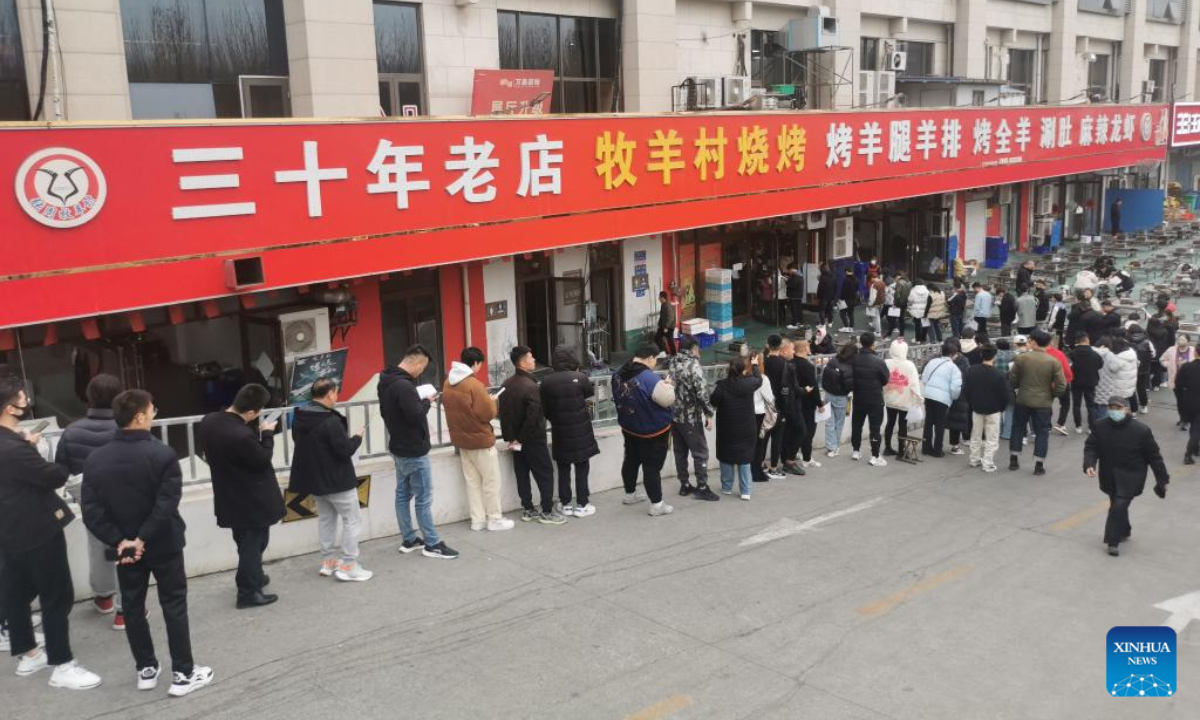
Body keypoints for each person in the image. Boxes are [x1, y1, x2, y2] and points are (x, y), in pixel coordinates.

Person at [83, 389, 212, 696]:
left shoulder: (97, 458)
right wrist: (141, 537)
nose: (155, 413)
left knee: (132, 606)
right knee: (174, 605)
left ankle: (146, 669)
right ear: (140, 416)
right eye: (152, 409)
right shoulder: (162, 454)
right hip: (163, 542)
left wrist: (123, 541)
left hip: (124, 550)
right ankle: (183, 673)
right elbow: (166, 504)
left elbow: (91, 510)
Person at [0, 377, 102, 690]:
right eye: (21, 397)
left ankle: (29, 654)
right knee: (57, 596)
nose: (25, 400)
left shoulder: (10, 442)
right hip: (35, 528)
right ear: (8, 407)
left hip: (9, 528)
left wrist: (27, 446)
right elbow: (52, 477)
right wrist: (48, 452)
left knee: (15, 593)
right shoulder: (12, 448)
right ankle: (62, 663)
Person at [196, 383, 284, 609]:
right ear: (252, 412)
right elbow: (261, 459)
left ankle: (253, 577)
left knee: (245, 542)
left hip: (228, 494)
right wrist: (266, 434)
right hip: (251, 498)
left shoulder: (209, 421)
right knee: (254, 544)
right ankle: (248, 592)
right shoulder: (242, 435)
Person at [53, 374, 123, 627]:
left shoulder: (71, 431)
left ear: (89, 396)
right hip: (124, 495)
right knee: (126, 547)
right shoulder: (125, 428)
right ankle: (125, 611)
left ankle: (103, 597)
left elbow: (61, 471)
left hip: (89, 497)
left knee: (98, 546)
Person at [380, 345, 459, 559]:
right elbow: (415, 415)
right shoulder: (404, 386)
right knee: (423, 498)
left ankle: (409, 538)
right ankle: (432, 543)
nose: (420, 372)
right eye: (422, 368)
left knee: (403, 495)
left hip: (398, 446)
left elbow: (385, 412)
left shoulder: (385, 380)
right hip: (414, 449)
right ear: (416, 363)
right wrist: (426, 401)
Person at [289, 379, 370, 581]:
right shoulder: (330, 421)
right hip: (337, 479)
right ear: (329, 394)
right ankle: (349, 564)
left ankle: (329, 561)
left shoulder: (300, 415)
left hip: (314, 479)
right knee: (351, 520)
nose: (337, 397)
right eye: (336, 393)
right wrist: (357, 438)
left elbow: (298, 441)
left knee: (326, 519)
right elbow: (344, 450)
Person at [1084, 396, 1168, 556]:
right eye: (1111, 408)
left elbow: (1154, 457)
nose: (1114, 411)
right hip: (1109, 474)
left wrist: (1162, 479)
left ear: (1127, 410)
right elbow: (1091, 447)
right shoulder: (1100, 426)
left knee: (1119, 505)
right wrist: (1089, 464)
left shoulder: (1141, 430)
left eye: (1118, 408)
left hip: (1132, 475)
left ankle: (1112, 541)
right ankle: (1124, 529)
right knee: (1117, 503)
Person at [442, 347, 514, 531]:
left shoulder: (447, 383)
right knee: (491, 482)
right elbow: (487, 413)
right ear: (475, 363)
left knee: (472, 482)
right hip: (480, 440)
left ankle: (477, 520)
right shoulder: (474, 385)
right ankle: (495, 519)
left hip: (462, 441)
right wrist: (491, 401)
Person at [500, 346, 565, 525]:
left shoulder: (506, 384)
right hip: (533, 439)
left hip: (515, 440)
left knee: (522, 473)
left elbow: (503, 415)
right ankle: (546, 511)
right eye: (531, 357)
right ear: (522, 362)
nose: (534, 359)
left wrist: (512, 438)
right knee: (545, 473)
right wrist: (521, 437)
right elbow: (533, 416)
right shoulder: (530, 386)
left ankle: (528, 509)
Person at [612, 345, 676, 516]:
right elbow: (667, 400)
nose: (655, 364)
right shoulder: (650, 378)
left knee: (631, 460)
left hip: (629, 426)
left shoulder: (617, 373)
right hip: (652, 431)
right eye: (655, 360)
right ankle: (657, 504)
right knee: (652, 467)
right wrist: (667, 385)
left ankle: (630, 494)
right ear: (649, 358)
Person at [540, 345, 600, 518]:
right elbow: (588, 394)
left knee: (563, 468)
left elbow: (545, 408)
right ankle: (582, 503)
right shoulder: (580, 377)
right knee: (582, 466)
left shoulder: (547, 381)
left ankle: (565, 503)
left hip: (560, 430)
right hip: (582, 430)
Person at [1008, 330, 1067, 475]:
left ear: (1034, 342)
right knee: (1042, 433)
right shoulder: (1053, 361)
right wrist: (1051, 395)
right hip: (1043, 403)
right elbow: (1061, 385)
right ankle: (1039, 465)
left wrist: (1018, 388)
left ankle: (1014, 460)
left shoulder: (1022, 358)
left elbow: (1013, 379)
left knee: (1017, 428)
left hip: (1023, 399)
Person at [668, 337, 718, 501]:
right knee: (700, 452)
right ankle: (702, 487)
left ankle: (685, 485)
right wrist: (709, 413)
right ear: (693, 348)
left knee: (680, 452)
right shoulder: (693, 365)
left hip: (675, 416)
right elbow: (702, 392)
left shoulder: (673, 361)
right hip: (690, 416)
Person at [710, 355, 763, 500]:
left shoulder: (722, 385)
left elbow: (713, 400)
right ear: (743, 370)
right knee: (745, 458)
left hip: (727, 427)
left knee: (726, 456)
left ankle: (727, 487)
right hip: (746, 426)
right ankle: (745, 491)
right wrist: (755, 365)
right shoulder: (749, 383)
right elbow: (759, 380)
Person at [963, 345, 1010, 472]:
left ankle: (974, 459)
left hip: (976, 408)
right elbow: (1005, 395)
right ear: (994, 356)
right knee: (992, 438)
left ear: (981, 355)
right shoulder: (999, 374)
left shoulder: (972, 370)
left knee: (976, 435)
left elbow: (966, 390)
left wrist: (972, 404)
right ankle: (988, 462)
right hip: (994, 409)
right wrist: (1001, 407)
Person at [848, 332, 890, 466]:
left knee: (856, 425)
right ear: (873, 344)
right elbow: (885, 380)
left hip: (859, 397)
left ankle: (855, 450)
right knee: (875, 427)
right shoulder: (879, 361)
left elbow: (851, 377)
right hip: (875, 398)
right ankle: (875, 455)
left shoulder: (854, 359)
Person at [921, 340, 964, 458]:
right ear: (952, 354)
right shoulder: (954, 368)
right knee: (940, 424)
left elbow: (924, 378)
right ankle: (937, 450)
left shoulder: (932, 362)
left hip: (929, 395)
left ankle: (926, 447)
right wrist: (953, 397)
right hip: (942, 399)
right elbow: (955, 388)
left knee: (928, 422)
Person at [882, 338, 923, 457]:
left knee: (890, 422)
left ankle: (888, 447)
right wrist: (918, 398)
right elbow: (915, 384)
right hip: (905, 400)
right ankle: (901, 450)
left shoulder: (886, 363)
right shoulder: (909, 365)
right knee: (902, 425)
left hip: (890, 398)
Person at [791, 340, 824, 469]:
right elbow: (813, 387)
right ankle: (807, 458)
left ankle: (794, 453)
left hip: (795, 402)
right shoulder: (807, 366)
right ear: (804, 348)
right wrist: (820, 403)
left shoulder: (790, 363)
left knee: (796, 430)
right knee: (808, 431)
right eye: (808, 346)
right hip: (807, 403)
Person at [777, 339, 808, 476]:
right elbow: (792, 389)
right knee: (801, 431)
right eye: (791, 349)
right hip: (790, 406)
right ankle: (788, 461)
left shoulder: (769, 362)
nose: (793, 352)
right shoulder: (788, 367)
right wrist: (805, 390)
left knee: (786, 434)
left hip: (779, 406)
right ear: (784, 350)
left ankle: (785, 458)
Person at [821, 341, 857, 458]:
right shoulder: (850, 368)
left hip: (828, 395)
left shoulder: (833, 361)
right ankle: (834, 448)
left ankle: (831, 447)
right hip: (841, 398)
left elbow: (824, 378)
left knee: (829, 423)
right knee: (838, 423)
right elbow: (849, 385)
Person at [1063, 332, 1103, 433]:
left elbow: (1068, 367)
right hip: (1091, 381)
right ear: (1086, 340)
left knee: (1076, 404)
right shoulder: (1095, 354)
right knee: (1091, 405)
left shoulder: (1072, 353)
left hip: (1076, 381)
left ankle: (1078, 426)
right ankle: (1091, 427)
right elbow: (1100, 365)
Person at [1095, 336, 1139, 422]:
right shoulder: (1132, 354)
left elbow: (1112, 368)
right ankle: (1128, 419)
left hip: (1119, 385)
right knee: (1125, 402)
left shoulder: (1118, 358)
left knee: (1117, 404)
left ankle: (1116, 420)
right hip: (1129, 385)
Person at [1159, 335, 1195, 431]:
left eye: (1183, 339)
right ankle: (1183, 418)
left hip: (1190, 381)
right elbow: (1162, 359)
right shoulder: (1171, 349)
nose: (1180, 341)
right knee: (1180, 402)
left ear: (1188, 341)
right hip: (1176, 380)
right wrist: (1169, 365)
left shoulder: (1193, 350)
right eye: (1179, 339)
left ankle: (1185, 421)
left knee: (1187, 402)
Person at [1047, 338, 1075, 436]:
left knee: (1047, 404)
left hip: (1045, 384)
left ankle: (1047, 425)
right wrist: (1068, 379)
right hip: (1061, 383)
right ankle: (1060, 423)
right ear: (1051, 342)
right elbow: (1067, 370)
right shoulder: (1059, 354)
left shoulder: (1039, 355)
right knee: (1065, 404)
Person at [1177, 351, 1200, 463]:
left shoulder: (1186, 366)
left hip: (1189, 402)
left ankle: (1195, 449)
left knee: (1194, 427)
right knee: (1197, 429)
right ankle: (1188, 454)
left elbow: (1178, 384)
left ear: (1195, 353)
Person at [1126, 323, 1154, 415]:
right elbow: (1153, 354)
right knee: (1141, 388)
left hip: (1130, 368)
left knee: (1131, 388)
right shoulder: (1147, 341)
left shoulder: (1127, 341)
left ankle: (1133, 410)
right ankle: (1144, 406)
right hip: (1144, 369)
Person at [655, 291, 677, 355]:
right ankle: (664, 352)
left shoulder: (667, 306)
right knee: (657, 338)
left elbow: (670, 317)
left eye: (659, 297)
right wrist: (659, 324)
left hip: (669, 327)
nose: (658, 298)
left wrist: (666, 327)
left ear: (662, 298)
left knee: (670, 341)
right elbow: (662, 316)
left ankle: (674, 354)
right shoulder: (663, 305)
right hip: (663, 326)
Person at [866, 272, 886, 336]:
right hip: (882, 302)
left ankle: (878, 332)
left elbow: (872, 297)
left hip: (875, 304)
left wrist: (870, 304)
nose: (870, 281)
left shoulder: (874, 285)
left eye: (870, 279)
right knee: (878, 316)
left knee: (875, 317)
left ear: (872, 278)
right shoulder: (883, 283)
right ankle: (877, 329)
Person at [786, 263, 804, 328]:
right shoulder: (799, 275)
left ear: (791, 269)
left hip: (794, 295)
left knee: (794, 309)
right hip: (798, 295)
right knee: (798, 309)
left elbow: (793, 285)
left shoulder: (795, 276)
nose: (788, 272)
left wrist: (787, 281)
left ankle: (795, 323)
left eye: (789, 270)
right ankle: (800, 322)